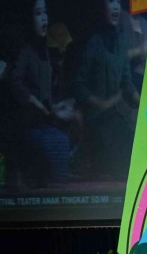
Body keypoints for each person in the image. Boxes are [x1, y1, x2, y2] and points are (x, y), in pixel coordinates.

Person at [10, 0, 74, 187]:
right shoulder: (25, 52)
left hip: (44, 120)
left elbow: (47, 98)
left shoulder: (45, 52)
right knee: (55, 141)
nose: (43, 18)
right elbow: (15, 82)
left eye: (45, 12)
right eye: (38, 13)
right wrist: (35, 102)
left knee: (67, 133)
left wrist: (58, 106)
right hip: (28, 123)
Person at [75, 0, 138, 181]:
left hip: (117, 116)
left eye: (118, 1)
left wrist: (144, 104)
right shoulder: (92, 43)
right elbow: (78, 85)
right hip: (97, 118)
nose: (116, 6)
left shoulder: (122, 41)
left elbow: (127, 82)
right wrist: (100, 103)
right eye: (110, 1)